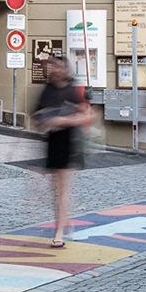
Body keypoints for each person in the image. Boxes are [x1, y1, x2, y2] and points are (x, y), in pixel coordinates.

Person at [33, 55, 92, 247]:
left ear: (66, 70)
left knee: (62, 190)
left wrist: (62, 121)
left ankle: (59, 232)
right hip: (52, 143)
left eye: (59, 66)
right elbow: (37, 117)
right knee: (56, 192)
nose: (55, 70)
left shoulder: (72, 90)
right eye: (53, 66)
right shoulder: (47, 90)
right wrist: (44, 123)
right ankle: (65, 221)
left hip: (69, 143)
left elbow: (86, 116)